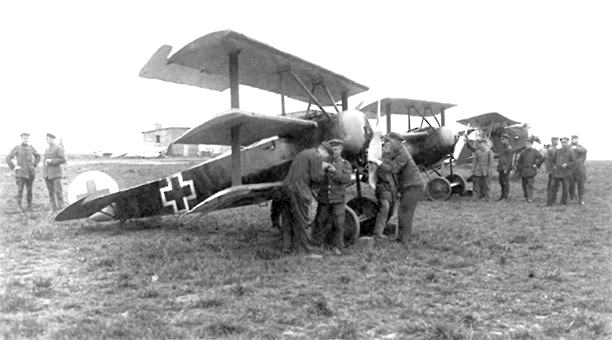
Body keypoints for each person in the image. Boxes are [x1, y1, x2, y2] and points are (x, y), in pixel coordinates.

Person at [279, 142, 334, 257]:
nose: (325, 159)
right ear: (324, 151)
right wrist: (323, 168)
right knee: (303, 221)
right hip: (299, 190)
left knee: (288, 220)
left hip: (286, 189)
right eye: (327, 157)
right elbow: (316, 178)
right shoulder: (317, 156)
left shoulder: (303, 153)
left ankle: (287, 249)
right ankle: (305, 252)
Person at [368, 132, 423, 244]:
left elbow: (393, 168)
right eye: (386, 141)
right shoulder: (397, 151)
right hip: (409, 186)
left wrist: (376, 161)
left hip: (413, 186)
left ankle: (404, 240)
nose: (387, 143)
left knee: (405, 213)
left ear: (398, 142)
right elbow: (387, 161)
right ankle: (402, 238)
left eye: (389, 141)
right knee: (403, 212)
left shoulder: (402, 153)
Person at [312, 139, 352, 255]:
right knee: (320, 221)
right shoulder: (323, 162)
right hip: (324, 198)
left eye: (336, 149)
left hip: (338, 198)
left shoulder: (345, 164)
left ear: (341, 150)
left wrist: (334, 172)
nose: (334, 152)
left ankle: (337, 246)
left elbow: (346, 180)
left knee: (338, 223)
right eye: (332, 149)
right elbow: (317, 178)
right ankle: (317, 245)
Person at [6, 132, 41, 211]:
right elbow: (8, 158)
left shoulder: (31, 147)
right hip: (21, 173)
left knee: (29, 190)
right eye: (24, 138)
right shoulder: (17, 148)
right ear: (21, 138)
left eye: (27, 138)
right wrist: (14, 167)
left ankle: (30, 206)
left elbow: (38, 156)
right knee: (20, 190)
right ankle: (19, 207)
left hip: (30, 173)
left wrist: (34, 165)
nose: (26, 139)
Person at [372, 140, 397, 239]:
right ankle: (377, 233)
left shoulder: (391, 161)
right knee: (385, 208)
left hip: (392, 190)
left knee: (390, 211)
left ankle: (379, 228)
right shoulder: (378, 160)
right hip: (383, 189)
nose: (387, 150)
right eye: (385, 148)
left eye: (389, 148)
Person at [547, 137, 576, 206]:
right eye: (562, 142)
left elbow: (574, 162)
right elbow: (553, 160)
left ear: (567, 143)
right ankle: (551, 202)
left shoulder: (570, 151)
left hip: (565, 173)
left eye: (565, 142)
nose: (563, 144)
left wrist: (567, 164)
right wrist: (554, 166)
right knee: (552, 187)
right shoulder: (558, 151)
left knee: (565, 188)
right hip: (557, 173)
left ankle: (563, 202)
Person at [515, 137, 545, 202]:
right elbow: (520, 162)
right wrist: (519, 170)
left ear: (531, 144)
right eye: (526, 144)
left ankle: (530, 198)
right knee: (524, 184)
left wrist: (536, 164)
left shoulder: (535, 151)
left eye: (528, 144)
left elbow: (542, 158)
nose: (526, 145)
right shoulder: (523, 152)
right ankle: (525, 196)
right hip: (523, 171)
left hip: (531, 170)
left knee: (530, 184)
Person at [43, 133, 66, 211]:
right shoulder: (46, 149)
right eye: (46, 139)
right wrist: (44, 173)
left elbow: (63, 160)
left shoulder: (58, 148)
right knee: (50, 193)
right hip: (47, 175)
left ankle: (61, 209)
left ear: (52, 139)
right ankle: (53, 208)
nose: (47, 140)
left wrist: (52, 161)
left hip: (56, 174)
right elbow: (44, 162)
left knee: (58, 192)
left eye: (48, 139)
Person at [496, 133, 520, 200]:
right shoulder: (502, 148)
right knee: (501, 182)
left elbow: (509, 160)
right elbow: (500, 157)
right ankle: (502, 195)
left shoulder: (509, 148)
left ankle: (505, 196)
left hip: (505, 168)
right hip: (501, 167)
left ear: (507, 140)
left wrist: (506, 168)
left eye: (503, 139)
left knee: (505, 182)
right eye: (501, 139)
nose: (501, 140)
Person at [568, 135, 587, 205]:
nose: (574, 140)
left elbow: (585, 151)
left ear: (577, 140)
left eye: (575, 139)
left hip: (580, 169)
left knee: (581, 185)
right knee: (571, 185)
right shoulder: (568, 146)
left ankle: (580, 199)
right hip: (571, 169)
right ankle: (572, 199)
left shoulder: (580, 147)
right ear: (571, 139)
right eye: (573, 139)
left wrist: (575, 148)